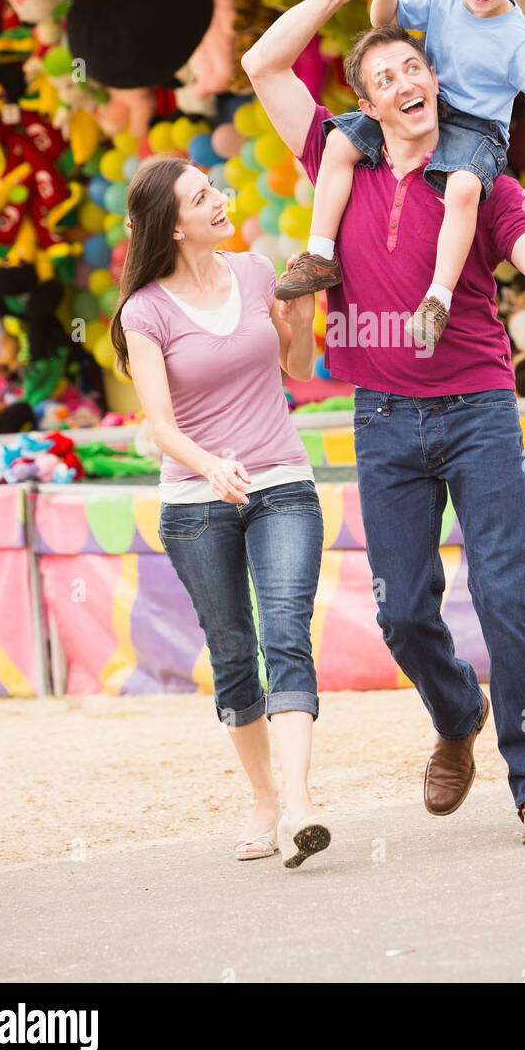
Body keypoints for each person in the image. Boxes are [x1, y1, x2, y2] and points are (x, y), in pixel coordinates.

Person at [242, 0, 525, 846]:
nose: (408, 80)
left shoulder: (487, 179)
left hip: (478, 407)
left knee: (505, 598)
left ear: (433, 81)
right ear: (365, 105)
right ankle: (455, 716)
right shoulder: (338, 154)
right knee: (402, 611)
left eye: (416, 67)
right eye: (387, 74)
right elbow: (262, 64)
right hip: (384, 418)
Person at [109, 155, 330, 869]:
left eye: (216, 189)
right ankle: (264, 798)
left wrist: (299, 323)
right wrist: (211, 465)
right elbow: (160, 427)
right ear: (174, 224)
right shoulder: (144, 312)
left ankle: (299, 806)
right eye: (204, 196)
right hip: (198, 502)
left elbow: (296, 370)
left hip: (282, 483)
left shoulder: (258, 272)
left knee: (287, 633)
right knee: (235, 652)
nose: (221, 200)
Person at [274, 0, 525, 352]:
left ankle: (437, 301)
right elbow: (387, 22)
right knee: (340, 143)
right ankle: (321, 254)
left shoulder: (517, 40)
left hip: (478, 130)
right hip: (431, 103)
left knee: (462, 189)